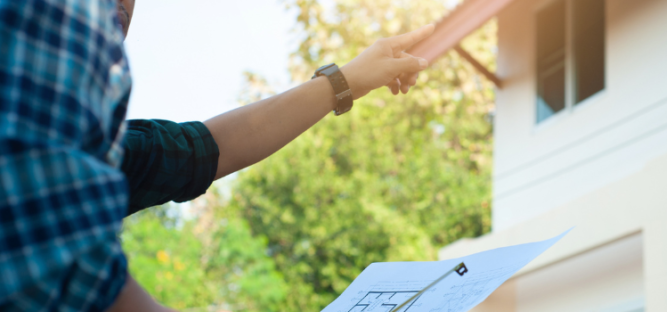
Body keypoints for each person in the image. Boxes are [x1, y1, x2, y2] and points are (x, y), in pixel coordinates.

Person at [0, 0, 434, 310]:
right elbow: (68, 273)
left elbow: (202, 149)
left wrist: (349, 80)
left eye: (121, 23)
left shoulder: (93, 154)